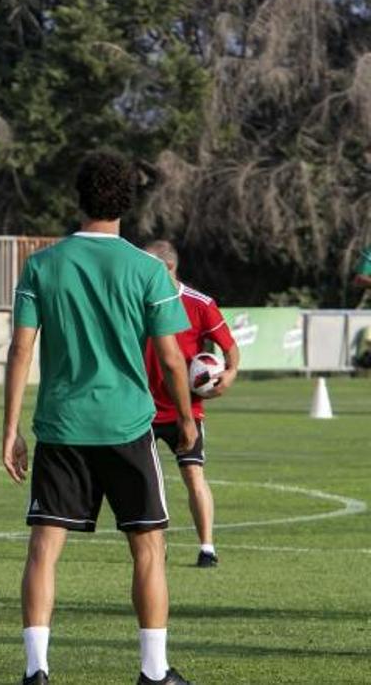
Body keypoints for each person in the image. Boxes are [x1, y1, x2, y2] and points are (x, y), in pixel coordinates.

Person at [2, 152, 196, 685]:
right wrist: (184, 417)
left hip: (61, 428)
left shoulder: (42, 265)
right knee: (148, 546)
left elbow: (21, 350)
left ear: (78, 197)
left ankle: (36, 670)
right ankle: (154, 672)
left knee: (44, 549)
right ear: (128, 204)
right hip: (128, 426)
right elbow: (173, 357)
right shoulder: (148, 269)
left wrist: (10, 429)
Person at [143, 240, 240, 568]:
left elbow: (229, 347)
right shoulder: (137, 300)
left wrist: (229, 374)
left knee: (193, 474)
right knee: (145, 480)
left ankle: (207, 547)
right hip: (141, 407)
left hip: (186, 409)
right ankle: (157, 545)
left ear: (167, 267)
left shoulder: (200, 303)